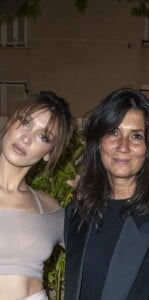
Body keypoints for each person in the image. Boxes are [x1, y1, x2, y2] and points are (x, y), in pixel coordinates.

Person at [64, 88, 149, 300]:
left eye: (136, 136)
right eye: (113, 132)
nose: (123, 146)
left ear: (148, 147)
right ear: (98, 141)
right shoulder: (78, 211)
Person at [0, 91, 74, 300]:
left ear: (49, 152)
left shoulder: (49, 207)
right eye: (25, 122)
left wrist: (95, 196)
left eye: (43, 136)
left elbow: (99, 253)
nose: (26, 138)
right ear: (11, 121)